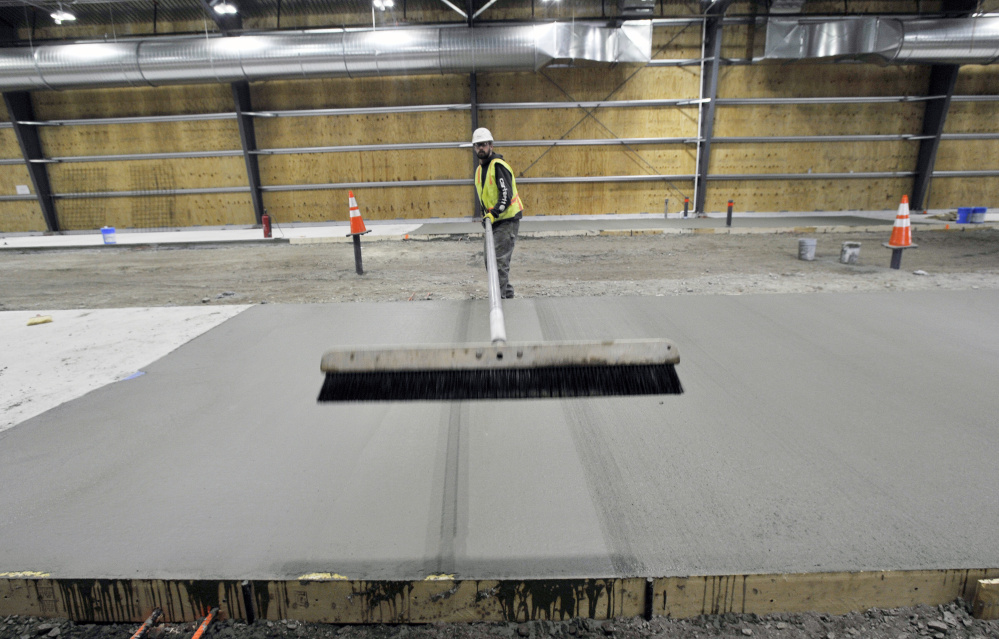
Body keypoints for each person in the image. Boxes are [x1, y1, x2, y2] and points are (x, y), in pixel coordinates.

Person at [472, 127, 523, 299]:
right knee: (490, 260)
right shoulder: (479, 171)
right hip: (493, 221)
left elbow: (505, 196)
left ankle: (500, 300)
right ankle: (506, 293)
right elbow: (485, 197)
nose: (481, 148)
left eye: (484, 145)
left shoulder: (498, 166)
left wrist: (493, 213)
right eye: (478, 145)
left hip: (506, 220)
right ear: (474, 147)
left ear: (491, 146)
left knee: (499, 262)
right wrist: (486, 215)